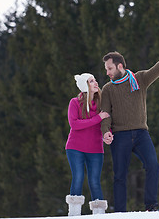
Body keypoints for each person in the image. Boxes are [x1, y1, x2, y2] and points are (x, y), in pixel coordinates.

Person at [100, 46, 159, 212]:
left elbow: (155, 70)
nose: (107, 72)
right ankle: (120, 213)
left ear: (120, 66)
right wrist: (105, 131)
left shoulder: (139, 79)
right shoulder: (108, 89)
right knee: (120, 176)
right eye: (106, 69)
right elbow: (105, 113)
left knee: (153, 165)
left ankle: (151, 206)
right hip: (120, 136)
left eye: (109, 68)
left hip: (141, 134)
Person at [65, 73, 110, 216]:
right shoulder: (74, 102)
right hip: (75, 148)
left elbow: (106, 123)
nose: (96, 83)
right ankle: (74, 215)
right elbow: (74, 124)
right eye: (91, 81)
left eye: (95, 80)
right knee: (78, 177)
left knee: (95, 181)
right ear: (85, 85)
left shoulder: (102, 104)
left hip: (96, 149)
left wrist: (107, 134)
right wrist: (98, 118)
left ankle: (99, 215)